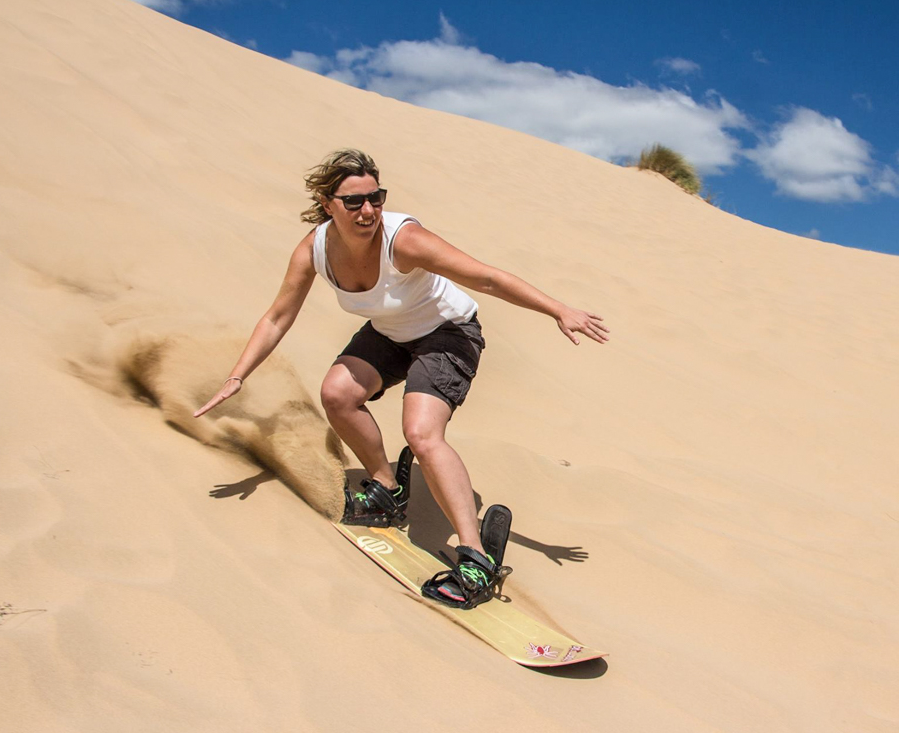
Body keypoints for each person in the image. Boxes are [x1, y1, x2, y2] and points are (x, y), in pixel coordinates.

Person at [194, 149, 609, 607]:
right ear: (328, 204)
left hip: (448, 333)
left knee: (421, 433)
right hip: (390, 332)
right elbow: (277, 317)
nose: (368, 210)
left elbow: (486, 279)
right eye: (354, 201)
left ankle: (476, 558)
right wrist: (238, 376)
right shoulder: (314, 250)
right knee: (337, 394)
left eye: (376, 198)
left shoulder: (403, 240)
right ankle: (387, 491)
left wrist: (558, 309)